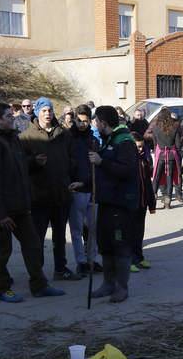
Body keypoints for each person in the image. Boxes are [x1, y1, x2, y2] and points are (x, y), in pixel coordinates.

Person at [0, 103, 64, 302]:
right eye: (8, 116)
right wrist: (1, 214)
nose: (13, 117)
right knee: (0, 252)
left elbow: (18, 166)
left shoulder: (12, 139)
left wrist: (33, 163)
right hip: (2, 211)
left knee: (33, 246)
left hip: (20, 206)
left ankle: (39, 285)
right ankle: (2, 288)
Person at [20, 97, 81, 281]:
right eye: (44, 110)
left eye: (50, 110)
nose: (47, 114)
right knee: (37, 237)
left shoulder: (64, 134)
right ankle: (37, 274)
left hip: (61, 193)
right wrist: (33, 162)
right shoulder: (26, 137)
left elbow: (73, 158)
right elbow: (20, 165)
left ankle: (60, 269)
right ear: (37, 112)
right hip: (38, 195)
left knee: (60, 236)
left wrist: (70, 170)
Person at [88, 106, 140, 303]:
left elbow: (127, 170)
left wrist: (102, 162)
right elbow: (102, 174)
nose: (95, 125)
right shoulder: (108, 141)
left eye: (96, 121)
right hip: (107, 202)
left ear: (103, 122)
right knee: (106, 245)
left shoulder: (124, 142)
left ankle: (121, 287)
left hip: (121, 203)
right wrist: (84, 184)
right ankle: (108, 284)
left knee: (120, 246)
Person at [67, 105, 100, 276]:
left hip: (92, 189)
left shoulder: (93, 139)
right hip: (76, 189)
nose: (82, 124)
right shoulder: (68, 138)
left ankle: (91, 259)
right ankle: (80, 261)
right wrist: (73, 182)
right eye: (79, 121)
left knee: (93, 228)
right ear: (74, 119)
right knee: (77, 229)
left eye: (85, 121)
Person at [130, 132, 156, 272]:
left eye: (142, 147)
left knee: (139, 232)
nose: (140, 149)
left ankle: (139, 257)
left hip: (142, 202)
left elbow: (147, 183)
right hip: (131, 203)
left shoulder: (144, 160)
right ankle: (130, 260)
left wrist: (151, 203)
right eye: (137, 147)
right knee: (130, 233)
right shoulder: (128, 162)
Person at [149, 108, 183, 209]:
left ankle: (152, 202)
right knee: (169, 179)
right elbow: (177, 145)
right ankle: (167, 203)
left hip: (160, 155)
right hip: (171, 156)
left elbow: (155, 143)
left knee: (156, 178)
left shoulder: (155, 127)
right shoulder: (175, 127)